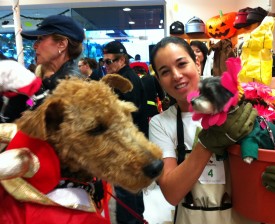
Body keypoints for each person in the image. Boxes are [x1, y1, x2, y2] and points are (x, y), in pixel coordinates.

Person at [149, 36, 258, 224]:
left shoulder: (235, 103)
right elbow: (172, 193)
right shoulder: (160, 124)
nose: (176, 75)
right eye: (165, 72)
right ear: (159, 80)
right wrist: (207, 143)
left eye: (182, 64)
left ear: (197, 64)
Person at [103, 41, 148, 224]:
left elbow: (127, 115)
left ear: (121, 60)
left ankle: (133, 220)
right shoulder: (124, 76)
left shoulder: (124, 81)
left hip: (127, 143)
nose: (105, 66)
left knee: (126, 187)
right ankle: (137, 217)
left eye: (108, 61)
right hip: (131, 141)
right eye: (103, 61)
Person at [21, 14, 85, 92]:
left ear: (62, 45)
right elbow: (36, 102)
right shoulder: (56, 81)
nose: (34, 46)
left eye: (41, 39)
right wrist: (25, 100)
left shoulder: (68, 87)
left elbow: (40, 102)